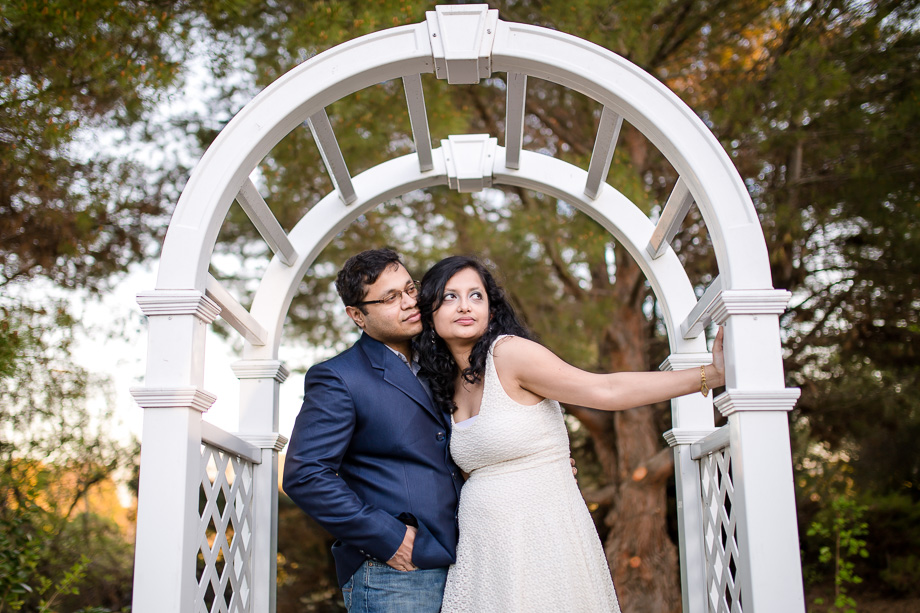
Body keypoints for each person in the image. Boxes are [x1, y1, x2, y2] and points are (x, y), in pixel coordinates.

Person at [416, 255, 725, 613]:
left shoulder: (510, 355)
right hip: (485, 552)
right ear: (430, 312)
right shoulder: (446, 384)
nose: (465, 306)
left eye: (476, 295)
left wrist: (708, 376)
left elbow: (606, 391)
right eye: (450, 296)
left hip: (543, 540)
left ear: (490, 307)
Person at [282, 248, 464, 613]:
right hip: (393, 573)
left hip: (464, 562)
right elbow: (305, 475)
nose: (411, 302)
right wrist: (391, 539)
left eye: (410, 289)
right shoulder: (338, 377)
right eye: (391, 297)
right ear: (357, 315)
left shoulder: (440, 362)